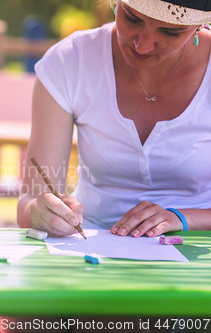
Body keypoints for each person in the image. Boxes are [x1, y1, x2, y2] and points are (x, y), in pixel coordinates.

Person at [18, 0, 211, 241]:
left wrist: (182, 218)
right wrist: (42, 213)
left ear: (198, 26)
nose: (142, 45)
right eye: (132, 18)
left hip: (199, 244)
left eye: (171, 31)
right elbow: (31, 200)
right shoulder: (71, 61)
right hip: (90, 243)